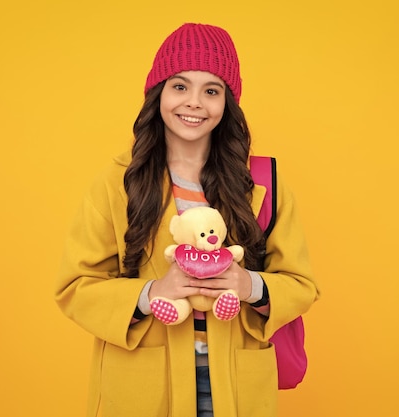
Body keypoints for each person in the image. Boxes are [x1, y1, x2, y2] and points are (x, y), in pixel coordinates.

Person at [55, 22, 319, 417]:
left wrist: (248, 284)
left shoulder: (260, 183)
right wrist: (153, 293)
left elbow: (301, 285)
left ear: (226, 102)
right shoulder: (117, 184)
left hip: (236, 384)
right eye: (180, 86)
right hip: (142, 386)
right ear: (158, 94)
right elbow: (76, 287)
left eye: (211, 90)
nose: (194, 102)